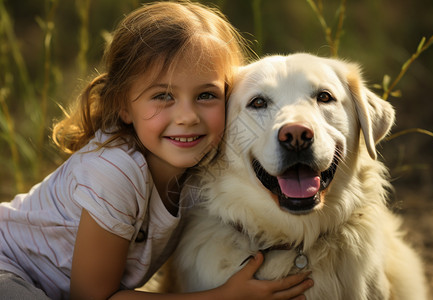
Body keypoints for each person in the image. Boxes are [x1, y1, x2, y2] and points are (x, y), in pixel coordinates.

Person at [0, 1, 313, 299]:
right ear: (123, 104)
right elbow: (92, 297)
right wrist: (223, 297)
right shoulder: (115, 172)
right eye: (163, 95)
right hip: (8, 268)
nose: (188, 116)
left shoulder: (208, 165)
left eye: (206, 95)